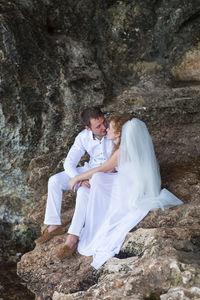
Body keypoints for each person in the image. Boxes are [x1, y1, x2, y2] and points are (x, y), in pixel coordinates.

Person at [61, 115, 183, 269]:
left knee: (98, 177)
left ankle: (96, 217)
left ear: (118, 134)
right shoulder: (120, 146)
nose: (106, 129)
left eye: (110, 127)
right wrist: (85, 179)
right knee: (98, 179)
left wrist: (76, 178)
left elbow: (103, 168)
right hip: (126, 180)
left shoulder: (123, 150)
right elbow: (110, 169)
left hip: (132, 188)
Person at [35, 107, 114, 252]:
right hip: (89, 169)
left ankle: (73, 236)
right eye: (98, 126)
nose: (104, 127)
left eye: (104, 122)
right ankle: (53, 225)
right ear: (88, 128)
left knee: (84, 191)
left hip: (107, 173)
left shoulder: (113, 130)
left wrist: (81, 180)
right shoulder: (83, 137)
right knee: (54, 181)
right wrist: (77, 178)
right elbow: (68, 163)